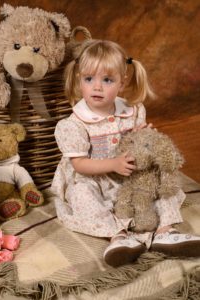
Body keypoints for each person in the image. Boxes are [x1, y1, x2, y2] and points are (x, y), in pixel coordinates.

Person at [51, 39, 200, 267]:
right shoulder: (75, 123)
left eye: (107, 80)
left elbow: (135, 145)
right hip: (95, 178)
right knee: (80, 193)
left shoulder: (132, 110)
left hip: (129, 177)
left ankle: (165, 231)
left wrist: (143, 137)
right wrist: (112, 164)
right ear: (79, 79)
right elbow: (79, 164)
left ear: (122, 82)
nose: (97, 87)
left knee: (161, 180)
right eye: (89, 79)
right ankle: (118, 236)